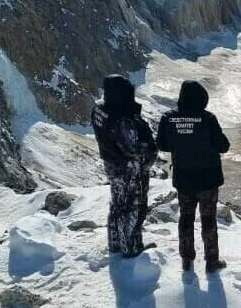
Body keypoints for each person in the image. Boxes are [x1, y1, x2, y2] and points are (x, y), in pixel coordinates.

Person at [156, 81, 231, 273]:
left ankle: (187, 260)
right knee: (208, 220)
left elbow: (162, 145)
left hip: (184, 179)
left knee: (186, 219)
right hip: (208, 180)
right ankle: (211, 261)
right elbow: (223, 146)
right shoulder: (208, 118)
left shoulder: (168, 118)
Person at [92, 75, 157, 258]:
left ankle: (115, 244)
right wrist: (150, 147)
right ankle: (131, 248)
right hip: (129, 168)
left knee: (118, 204)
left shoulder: (100, 109)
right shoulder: (122, 119)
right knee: (134, 206)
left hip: (112, 164)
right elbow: (134, 148)